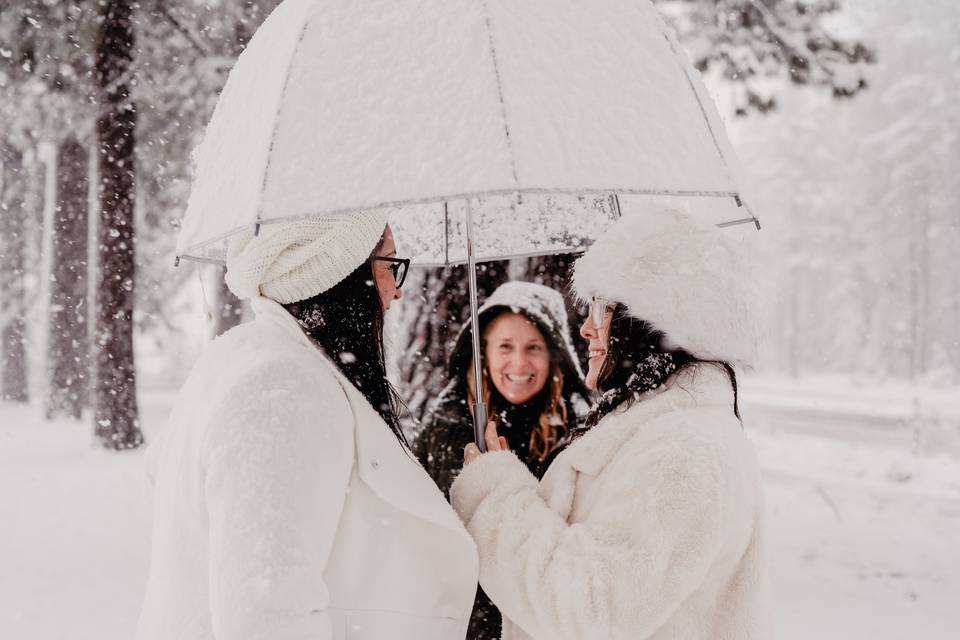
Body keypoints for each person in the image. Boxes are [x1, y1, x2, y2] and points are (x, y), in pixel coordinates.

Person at [136, 212, 479, 640]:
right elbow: (266, 614)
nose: (397, 289)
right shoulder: (281, 389)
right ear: (344, 275)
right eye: (390, 264)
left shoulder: (254, 361)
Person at [449, 208, 770, 640]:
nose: (585, 328)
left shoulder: (685, 450)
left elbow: (590, 608)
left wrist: (495, 494)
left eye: (601, 308)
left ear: (654, 321)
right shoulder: (662, 431)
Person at [414, 281, 590, 639]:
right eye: (505, 347)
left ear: (554, 352)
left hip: (549, 617)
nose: (520, 362)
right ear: (484, 353)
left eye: (534, 347)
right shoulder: (450, 425)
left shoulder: (579, 430)